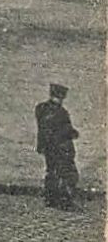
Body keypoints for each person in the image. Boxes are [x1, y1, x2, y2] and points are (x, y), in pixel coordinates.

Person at [36, 83, 81, 211]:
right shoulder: (61, 112)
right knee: (69, 174)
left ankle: (50, 199)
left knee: (51, 172)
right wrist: (74, 133)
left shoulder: (41, 108)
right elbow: (65, 131)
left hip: (47, 147)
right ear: (62, 97)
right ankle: (65, 201)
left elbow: (44, 129)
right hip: (61, 148)